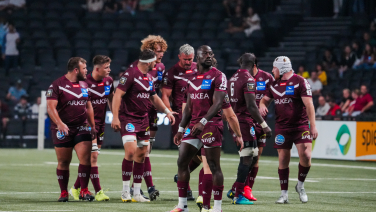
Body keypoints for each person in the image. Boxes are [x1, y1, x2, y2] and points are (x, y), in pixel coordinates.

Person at [170, 45, 242, 212]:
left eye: (210, 53)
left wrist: (203, 121)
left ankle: (217, 208)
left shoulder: (219, 76)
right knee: (182, 161)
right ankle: (183, 205)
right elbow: (188, 107)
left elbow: (218, 103)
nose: (208, 56)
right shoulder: (191, 78)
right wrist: (181, 129)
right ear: (198, 58)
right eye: (205, 54)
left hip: (211, 125)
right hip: (194, 125)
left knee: (213, 165)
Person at [111, 49, 175, 203]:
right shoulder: (130, 74)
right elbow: (117, 95)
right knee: (132, 152)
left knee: (141, 155)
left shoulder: (148, 78)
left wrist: (167, 111)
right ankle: (125, 191)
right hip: (129, 119)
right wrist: (115, 117)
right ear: (149, 62)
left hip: (143, 120)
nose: (156, 63)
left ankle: (137, 193)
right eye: (154, 61)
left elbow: (154, 98)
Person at [259, 56, 318, 204]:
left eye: (274, 68)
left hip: (301, 126)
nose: (272, 71)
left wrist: (313, 126)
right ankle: (284, 194)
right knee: (283, 158)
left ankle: (300, 185)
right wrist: (262, 104)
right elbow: (265, 99)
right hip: (282, 127)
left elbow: (309, 104)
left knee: (306, 155)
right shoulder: (273, 84)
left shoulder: (300, 82)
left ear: (281, 69)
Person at [46, 57, 96, 202]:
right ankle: (63, 193)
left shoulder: (85, 85)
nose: (87, 71)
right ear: (76, 70)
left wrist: (92, 126)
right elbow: (51, 107)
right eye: (84, 68)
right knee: (64, 161)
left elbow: (88, 106)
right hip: (62, 128)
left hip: (81, 127)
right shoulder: (57, 85)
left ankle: (84, 191)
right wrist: (60, 123)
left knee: (86, 159)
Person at [226, 53, 272, 205]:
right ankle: (238, 195)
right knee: (247, 157)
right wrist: (264, 125)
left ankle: (235, 189)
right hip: (244, 122)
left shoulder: (232, 78)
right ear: (254, 65)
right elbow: (252, 106)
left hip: (235, 119)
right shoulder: (249, 79)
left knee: (253, 155)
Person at [127, 35, 168, 201]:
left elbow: (158, 92)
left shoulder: (161, 67)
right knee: (143, 151)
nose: (161, 54)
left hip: (152, 112)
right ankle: (149, 186)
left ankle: (134, 187)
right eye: (158, 51)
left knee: (147, 148)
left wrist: (166, 109)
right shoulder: (136, 68)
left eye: (163, 51)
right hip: (136, 113)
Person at [69, 55, 114, 202]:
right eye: (106, 67)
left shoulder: (109, 81)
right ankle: (98, 191)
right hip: (87, 125)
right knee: (93, 158)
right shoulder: (84, 83)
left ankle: (75, 188)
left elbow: (111, 99)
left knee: (89, 159)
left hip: (100, 125)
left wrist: (116, 116)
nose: (109, 70)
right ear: (97, 69)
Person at [161, 44, 199, 201]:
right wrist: (169, 112)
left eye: (190, 59)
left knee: (200, 155)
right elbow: (165, 95)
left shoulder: (198, 69)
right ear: (179, 57)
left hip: (197, 117)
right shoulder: (171, 73)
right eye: (185, 60)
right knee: (184, 154)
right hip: (181, 118)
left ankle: (181, 175)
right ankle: (187, 190)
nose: (188, 62)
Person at [243, 54, 275, 201]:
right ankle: (240, 186)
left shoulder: (268, 78)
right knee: (247, 156)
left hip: (261, 122)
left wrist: (263, 104)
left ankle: (248, 188)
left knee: (256, 157)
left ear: (254, 66)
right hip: (245, 121)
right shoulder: (241, 77)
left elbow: (276, 93)